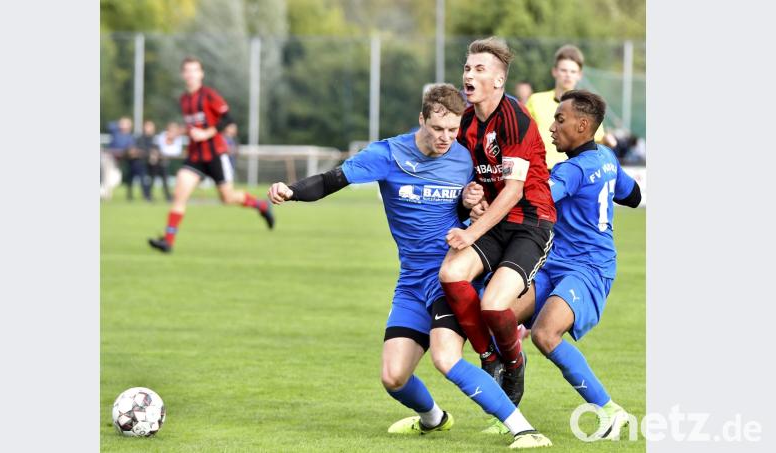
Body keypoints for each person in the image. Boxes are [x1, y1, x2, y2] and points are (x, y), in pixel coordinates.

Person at [267, 84, 550, 449]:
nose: (446, 138)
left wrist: (471, 203)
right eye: (437, 129)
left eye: (452, 130)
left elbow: (487, 203)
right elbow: (331, 180)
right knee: (394, 377)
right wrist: (291, 190)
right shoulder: (388, 153)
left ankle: (523, 429)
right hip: (412, 282)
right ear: (422, 119)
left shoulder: (467, 158)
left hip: (452, 277)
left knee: (445, 359)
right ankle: (434, 419)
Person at [472, 90, 641, 440]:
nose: (552, 127)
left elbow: (535, 198)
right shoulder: (606, 157)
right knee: (497, 319)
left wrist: (485, 205)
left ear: (583, 125)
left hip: (589, 268)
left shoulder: (573, 170)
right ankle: (506, 410)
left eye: (560, 120)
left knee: (546, 335)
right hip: (553, 262)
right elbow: (633, 195)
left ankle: (609, 410)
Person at [438, 38, 555, 449]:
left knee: (493, 304)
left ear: (499, 79)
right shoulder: (467, 122)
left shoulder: (516, 120)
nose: (469, 75)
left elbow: (512, 191)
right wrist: (468, 193)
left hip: (530, 223)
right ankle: (490, 356)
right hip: (494, 221)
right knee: (451, 272)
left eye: (479, 69)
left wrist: (471, 231)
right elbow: (473, 179)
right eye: (467, 68)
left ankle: (515, 361)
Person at [148, 57, 274, 253]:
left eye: (194, 70)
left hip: (216, 154)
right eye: (187, 71)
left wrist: (206, 133)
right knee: (179, 195)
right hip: (195, 156)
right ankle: (168, 241)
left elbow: (228, 120)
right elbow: (193, 126)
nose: (190, 75)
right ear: (183, 75)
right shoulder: (184, 99)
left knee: (228, 198)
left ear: (201, 74)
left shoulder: (208, 95)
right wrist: (178, 133)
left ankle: (262, 205)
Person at [525, 44, 607, 169]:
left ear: (579, 75)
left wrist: (607, 142)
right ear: (554, 71)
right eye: (563, 70)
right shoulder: (535, 100)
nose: (568, 75)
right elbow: (524, 135)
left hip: (576, 170)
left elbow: (597, 141)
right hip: (540, 170)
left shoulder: (588, 106)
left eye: (573, 71)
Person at [136, 120, 162, 201]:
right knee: (143, 179)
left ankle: (149, 194)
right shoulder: (140, 138)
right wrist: (150, 153)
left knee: (152, 178)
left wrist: (155, 154)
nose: (149, 128)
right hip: (142, 162)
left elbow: (158, 149)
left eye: (151, 127)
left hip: (153, 163)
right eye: (148, 126)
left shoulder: (155, 138)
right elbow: (140, 149)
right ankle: (146, 195)